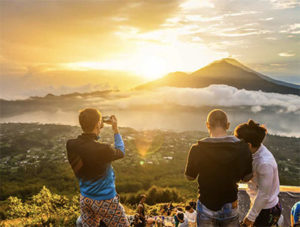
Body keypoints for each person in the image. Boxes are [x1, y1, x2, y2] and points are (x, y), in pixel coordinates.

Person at [185, 109, 253, 227]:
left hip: (206, 205)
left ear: (207, 125)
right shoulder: (242, 148)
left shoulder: (197, 149)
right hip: (230, 204)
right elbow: (247, 177)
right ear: (227, 125)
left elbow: (189, 177)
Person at [66, 108, 129, 227]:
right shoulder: (103, 149)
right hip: (105, 201)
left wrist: (97, 127)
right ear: (98, 124)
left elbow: (88, 147)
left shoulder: (71, 144)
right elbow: (121, 151)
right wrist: (115, 129)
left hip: (85, 198)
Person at [235, 120, 281, 227]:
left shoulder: (265, 163)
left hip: (266, 209)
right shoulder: (254, 151)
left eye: (238, 142)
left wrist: (250, 218)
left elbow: (264, 195)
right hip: (258, 204)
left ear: (249, 145)